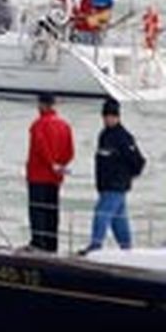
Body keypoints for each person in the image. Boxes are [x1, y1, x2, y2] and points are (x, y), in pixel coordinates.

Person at [82, 98, 146, 254]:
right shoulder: (104, 135)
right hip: (104, 185)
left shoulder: (124, 137)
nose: (108, 119)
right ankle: (127, 249)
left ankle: (95, 246)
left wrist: (127, 177)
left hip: (116, 185)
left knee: (101, 213)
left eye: (111, 116)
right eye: (105, 116)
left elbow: (139, 161)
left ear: (118, 117)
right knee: (118, 220)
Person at [25, 92, 74, 252]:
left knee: (37, 209)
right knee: (52, 210)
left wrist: (51, 163)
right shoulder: (65, 126)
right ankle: (52, 245)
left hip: (38, 174)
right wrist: (60, 165)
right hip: (55, 177)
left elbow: (39, 147)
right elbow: (70, 151)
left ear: (42, 105)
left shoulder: (38, 125)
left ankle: (38, 242)